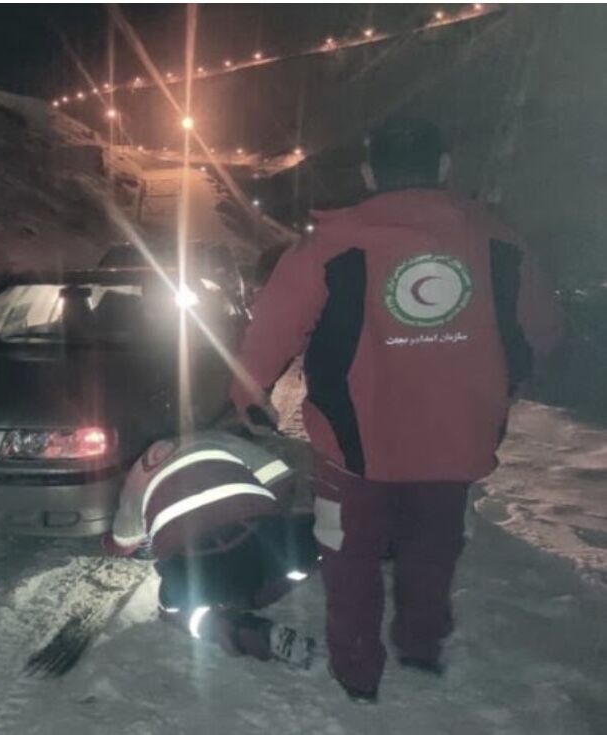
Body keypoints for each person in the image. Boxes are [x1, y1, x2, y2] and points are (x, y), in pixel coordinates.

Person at [229, 117, 563, 702]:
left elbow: (270, 331)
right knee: (432, 547)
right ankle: (421, 644)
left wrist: (248, 396)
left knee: (348, 556)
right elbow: (544, 329)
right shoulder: (500, 240)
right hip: (456, 443)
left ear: (367, 173)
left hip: (350, 449)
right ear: (443, 168)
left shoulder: (328, 244)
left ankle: (357, 671)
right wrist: (500, 387)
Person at [102, 430, 319, 668]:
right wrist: (269, 515)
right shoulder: (217, 438)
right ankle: (256, 592)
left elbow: (123, 543)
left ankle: (239, 631)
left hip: (194, 564)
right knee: (310, 547)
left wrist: (110, 543)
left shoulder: (137, 478)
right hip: (254, 540)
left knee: (172, 610)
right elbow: (282, 478)